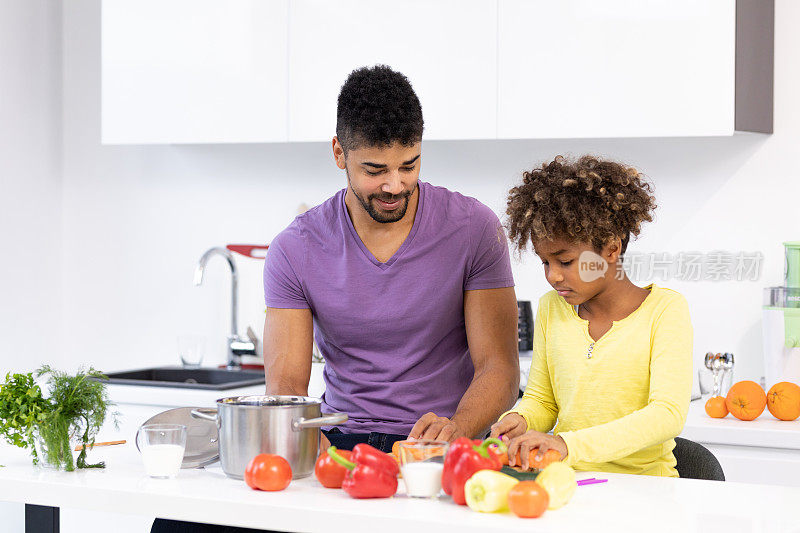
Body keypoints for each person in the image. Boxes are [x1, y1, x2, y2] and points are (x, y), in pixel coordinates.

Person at [262, 65, 520, 454]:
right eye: (375, 170)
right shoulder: (294, 249)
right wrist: (309, 450)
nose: (395, 185)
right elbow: (286, 391)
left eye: (409, 165)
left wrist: (456, 429)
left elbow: (499, 369)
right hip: (341, 441)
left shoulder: (475, 229)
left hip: (445, 443)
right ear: (339, 153)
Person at [491, 155, 693, 477]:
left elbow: (666, 414)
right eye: (545, 262)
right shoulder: (551, 308)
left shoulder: (664, 311)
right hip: (568, 482)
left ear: (611, 249)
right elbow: (543, 400)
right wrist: (522, 419)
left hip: (647, 490)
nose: (553, 276)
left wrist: (568, 445)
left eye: (565, 261)